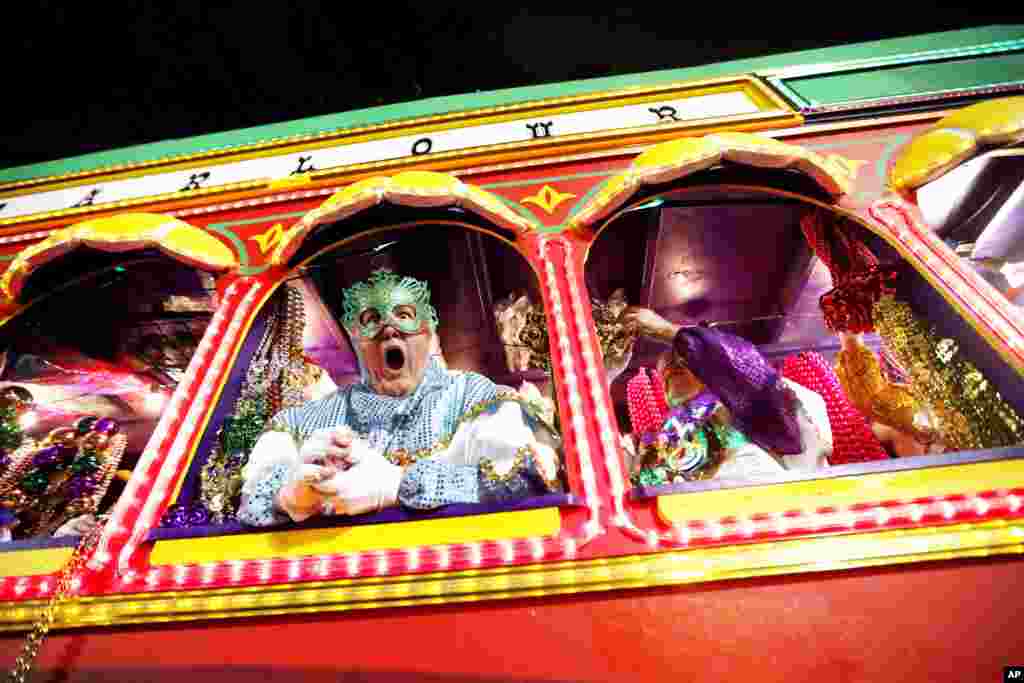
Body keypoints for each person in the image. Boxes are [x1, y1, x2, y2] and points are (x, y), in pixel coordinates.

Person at [237, 270, 562, 527]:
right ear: (354, 337)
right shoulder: (302, 421)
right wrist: (288, 497)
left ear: (429, 329)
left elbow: (530, 478)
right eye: (370, 321)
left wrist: (396, 485)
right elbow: (243, 499)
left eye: (404, 314)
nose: (389, 330)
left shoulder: (479, 398)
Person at [621, 306, 832, 481]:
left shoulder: (757, 399)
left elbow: (747, 369)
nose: (669, 371)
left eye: (682, 363)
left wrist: (667, 331)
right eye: (664, 373)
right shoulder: (672, 433)